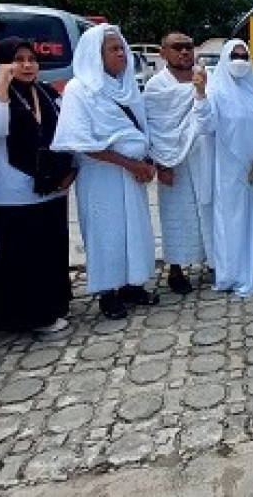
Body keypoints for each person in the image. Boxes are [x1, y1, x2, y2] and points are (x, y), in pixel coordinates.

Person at [50, 24, 158, 320]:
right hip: (101, 176)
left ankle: (132, 285)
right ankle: (107, 292)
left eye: (122, 47)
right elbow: (80, 142)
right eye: (113, 49)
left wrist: (145, 161)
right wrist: (130, 164)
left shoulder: (128, 86)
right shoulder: (79, 90)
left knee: (134, 231)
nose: (121, 53)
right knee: (105, 233)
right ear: (95, 54)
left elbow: (140, 128)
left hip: (132, 175)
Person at [0, 38, 75, 334]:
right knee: (20, 255)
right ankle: (23, 316)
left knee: (49, 250)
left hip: (50, 187)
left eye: (31, 59)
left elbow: (66, 132)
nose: (27, 65)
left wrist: (69, 171)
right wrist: (2, 85)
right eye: (18, 59)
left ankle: (50, 307)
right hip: (12, 191)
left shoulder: (44, 92)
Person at [192, 39, 253, 297]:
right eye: (234, 56)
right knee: (232, 221)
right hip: (229, 169)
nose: (239, 61)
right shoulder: (216, 90)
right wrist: (201, 94)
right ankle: (232, 274)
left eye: (244, 56)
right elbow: (205, 127)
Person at [144, 32, 215, 295]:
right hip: (172, 160)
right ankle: (175, 269)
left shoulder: (205, 79)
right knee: (177, 215)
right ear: (163, 53)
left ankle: (213, 261)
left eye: (188, 47)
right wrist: (162, 163)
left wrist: (201, 91)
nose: (184, 52)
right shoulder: (156, 87)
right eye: (177, 48)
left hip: (203, 155)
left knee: (207, 210)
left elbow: (211, 116)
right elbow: (155, 128)